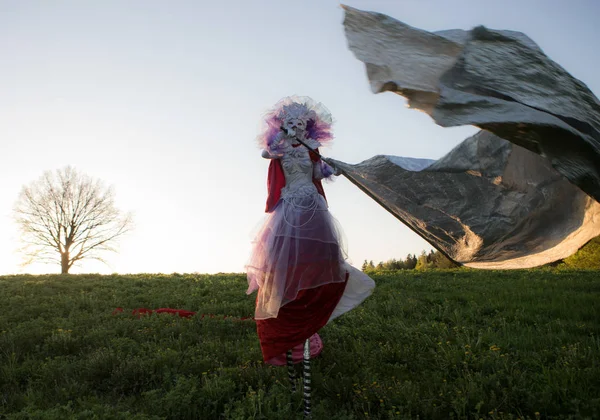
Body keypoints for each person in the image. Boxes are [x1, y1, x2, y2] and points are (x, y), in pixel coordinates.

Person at [245, 96, 375, 415]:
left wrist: (332, 165)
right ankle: (288, 333)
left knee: (321, 264)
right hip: (287, 211)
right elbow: (266, 153)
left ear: (309, 124)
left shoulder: (311, 149)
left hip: (313, 211)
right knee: (284, 269)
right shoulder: (281, 146)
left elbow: (322, 172)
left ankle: (309, 324)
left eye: (301, 122)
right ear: (284, 122)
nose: (296, 126)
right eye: (291, 122)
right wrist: (283, 139)